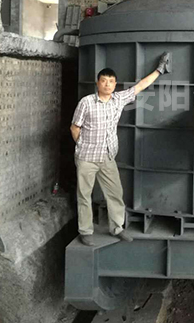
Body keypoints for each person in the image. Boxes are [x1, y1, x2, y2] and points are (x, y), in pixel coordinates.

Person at [70, 52, 170, 246]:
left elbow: (140, 86)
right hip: (87, 158)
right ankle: (86, 231)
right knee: (84, 195)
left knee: (115, 194)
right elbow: (75, 127)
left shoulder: (118, 99)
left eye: (111, 81)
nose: (107, 84)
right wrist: (82, 146)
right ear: (98, 83)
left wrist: (159, 70)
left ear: (115, 84)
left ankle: (117, 228)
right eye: (104, 81)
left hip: (107, 157)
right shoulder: (86, 102)